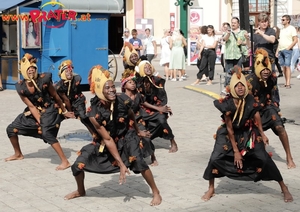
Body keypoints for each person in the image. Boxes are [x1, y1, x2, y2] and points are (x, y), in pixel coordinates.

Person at [64, 65, 162, 206]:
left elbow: (130, 114)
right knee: (77, 165)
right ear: (99, 90)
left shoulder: (122, 99)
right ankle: (81, 190)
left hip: (127, 136)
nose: (111, 90)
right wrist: (121, 164)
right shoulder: (93, 113)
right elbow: (107, 139)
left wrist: (138, 130)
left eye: (112, 87)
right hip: (106, 142)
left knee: (139, 161)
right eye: (107, 88)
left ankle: (156, 192)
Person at [202, 65, 293, 203]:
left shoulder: (249, 99)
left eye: (242, 85)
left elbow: (256, 116)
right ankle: (211, 188)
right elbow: (230, 130)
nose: (240, 88)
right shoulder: (227, 103)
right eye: (237, 86)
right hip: (228, 134)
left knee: (263, 157)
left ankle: (283, 187)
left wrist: (262, 133)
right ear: (232, 87)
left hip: (249, 131)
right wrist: (236, 151)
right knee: (215, 157)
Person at [5, 53, 75, 170]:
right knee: (11, 129)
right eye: (28, 69)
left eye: (33, 68)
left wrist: (64, 111)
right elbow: (31, 107)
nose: (31, 70)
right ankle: (18, 154)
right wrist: (40, 121)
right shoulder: (20, 87)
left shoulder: (44, 80)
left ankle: (65, 161)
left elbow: (56, 96)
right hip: (35, 111)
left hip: (50, 109)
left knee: (46, 132)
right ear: (23, 71)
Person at [246, 48, 296, 169]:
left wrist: (276, 109)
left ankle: (289, 156)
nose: (266, 72)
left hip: (267, 107)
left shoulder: (272, 78)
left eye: (268, 70)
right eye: (263, 70)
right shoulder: (250, 81)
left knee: (279, 126)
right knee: (255, 136)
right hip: (253, 111)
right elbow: (249, 105)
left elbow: (274, 95)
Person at [136, 60, 178, 153]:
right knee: (141, 120)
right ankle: (147, 140)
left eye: (149, 67)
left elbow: (162, 96)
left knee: (161, 119)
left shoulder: (157, 80)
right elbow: (142, 101)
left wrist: (162, 107)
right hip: (144, 108)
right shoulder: (139, 82)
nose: (148, 69)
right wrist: (158, 108)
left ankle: (172, 141)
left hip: (156, 106)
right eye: (145, 68)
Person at [120, 69, 157, 165]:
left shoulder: (138, 95)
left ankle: (153, 156)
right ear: (124, 85)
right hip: (127, 122)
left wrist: (159, 108)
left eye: (134, 82)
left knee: (146, 137)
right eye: (130, 82)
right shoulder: (121, 97)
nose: (133, 84)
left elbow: (145, 103)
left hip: (139, 120)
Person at [55, 60, 95, 135]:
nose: (69, 73)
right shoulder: (59, 87)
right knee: (57, 117)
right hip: (65, 102)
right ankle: (53, 135)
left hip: (78, 100)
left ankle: (94, 134)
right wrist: (70, 112)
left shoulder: (77, 79)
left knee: (83, 117)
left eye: (70, 71)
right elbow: (66, 100)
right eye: (66, 71)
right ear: (62, 74)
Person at [223, 17, 250, 87]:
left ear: (238, 24)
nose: (233, 24)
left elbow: (247, 43)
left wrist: (243, 42)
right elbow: (224, 39)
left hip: (238, 56)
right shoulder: (228, 32)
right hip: (229, 56)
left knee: (237, 73)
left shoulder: (243, 32)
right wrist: (228, 33)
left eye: (235, 23)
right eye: (232, 23)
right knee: (228, 74)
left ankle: (237, 87)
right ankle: (227, 88)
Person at [275, 15, 298, 88]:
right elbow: (280, 41)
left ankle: (288, 83)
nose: (282, 21)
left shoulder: (291, 28)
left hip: (287, 50)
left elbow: (295, 40)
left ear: (288, 20)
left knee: (287, 66)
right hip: (281, 49)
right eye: (282, 20)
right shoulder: (281, 30)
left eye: (283, 20)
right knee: (283, 67)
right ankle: (286, 81)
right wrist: (277, 51)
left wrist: (289, 47)